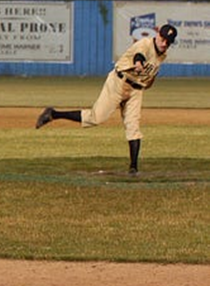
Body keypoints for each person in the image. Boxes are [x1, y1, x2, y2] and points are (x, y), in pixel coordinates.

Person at [35, 24, 178, 174]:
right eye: (163, 39)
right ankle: (53, 114)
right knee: (96, 118)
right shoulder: (145, 44)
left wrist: (148, 81)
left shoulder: (163, 55)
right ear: (158, 35)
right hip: (119, 82)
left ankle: (133, 168)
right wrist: (138, 64)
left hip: (136, 90)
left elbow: (152, 73)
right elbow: (139, 56)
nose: (164, 43)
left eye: (168, 41)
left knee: (133, 126)